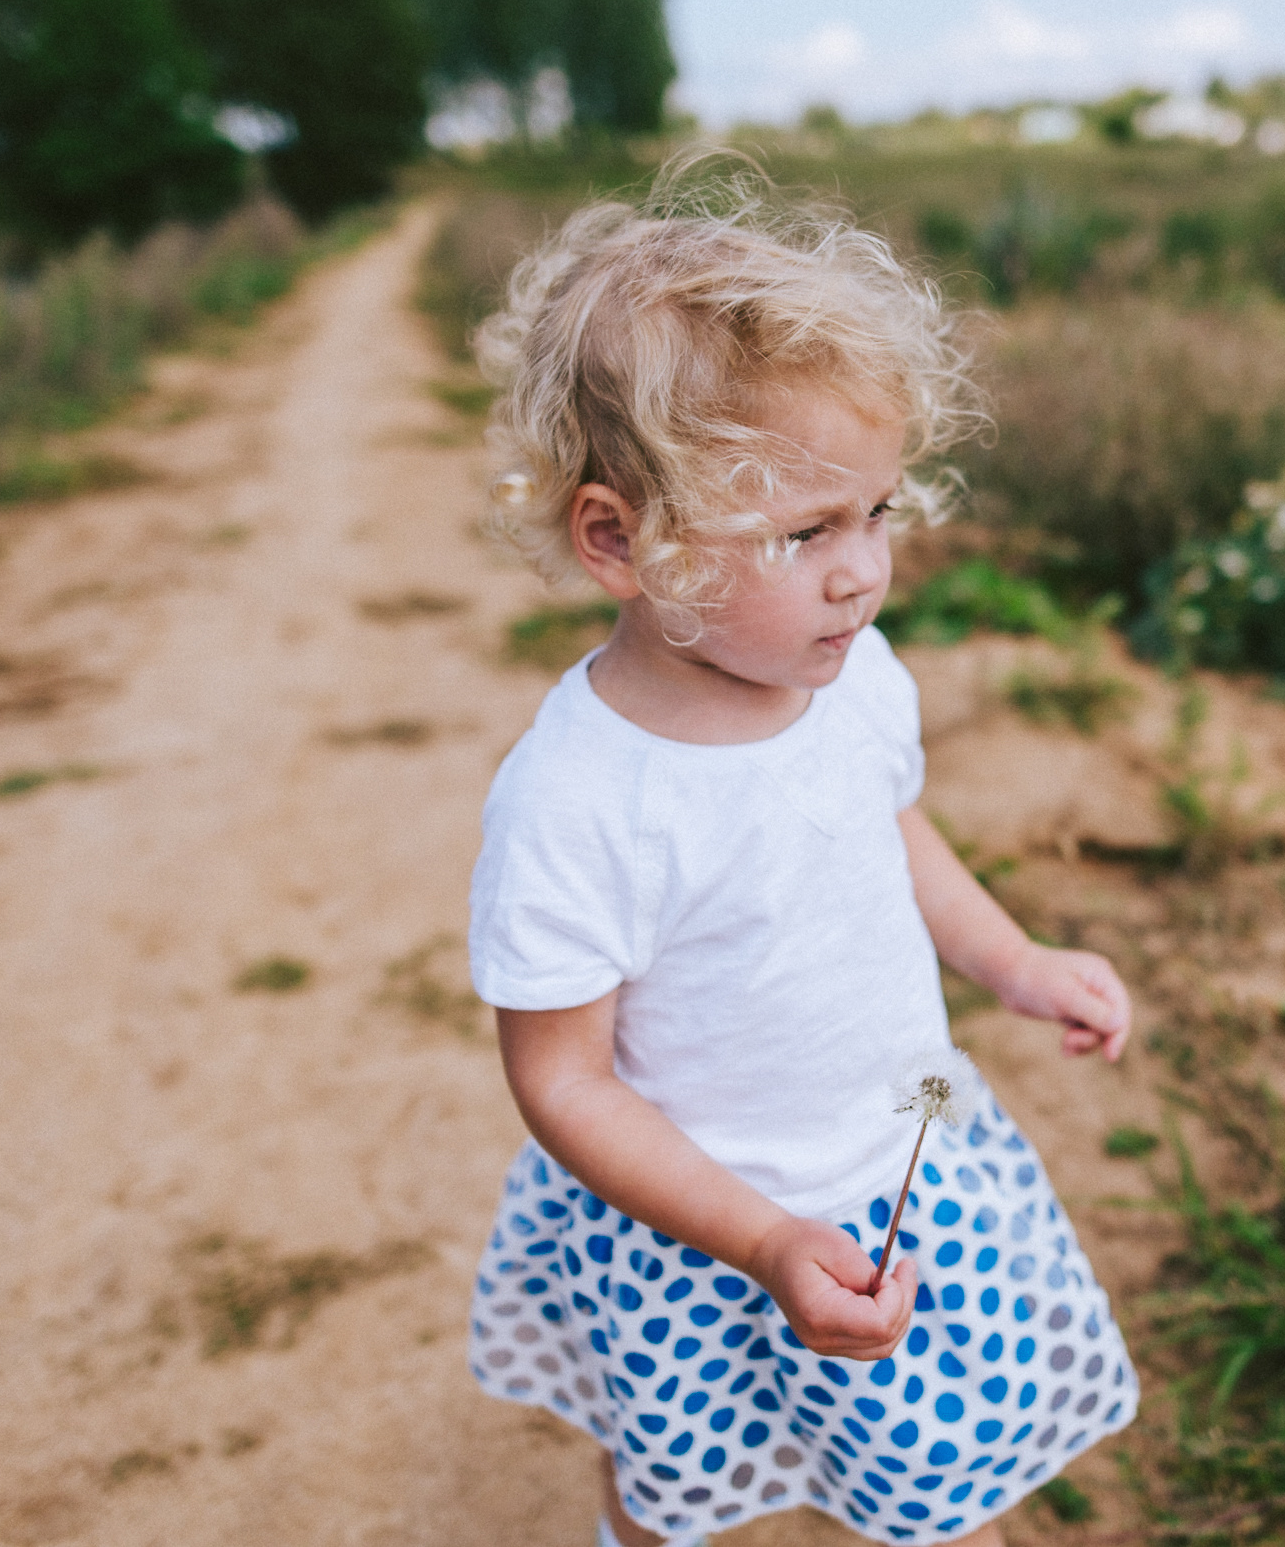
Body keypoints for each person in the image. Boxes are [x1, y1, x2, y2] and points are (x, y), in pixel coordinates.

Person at [463, 173, 1138, 1547]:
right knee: (674, 1468)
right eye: (803, 532)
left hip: (888, 1160)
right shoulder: (580, 798)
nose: (862, 572)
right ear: (620, 539)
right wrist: (761, 1239)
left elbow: (893, 832)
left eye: (877, 512)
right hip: (691, 1223)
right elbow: (561, 1076)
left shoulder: (858, 678)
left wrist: (1009, 959)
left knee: (931, 1453)